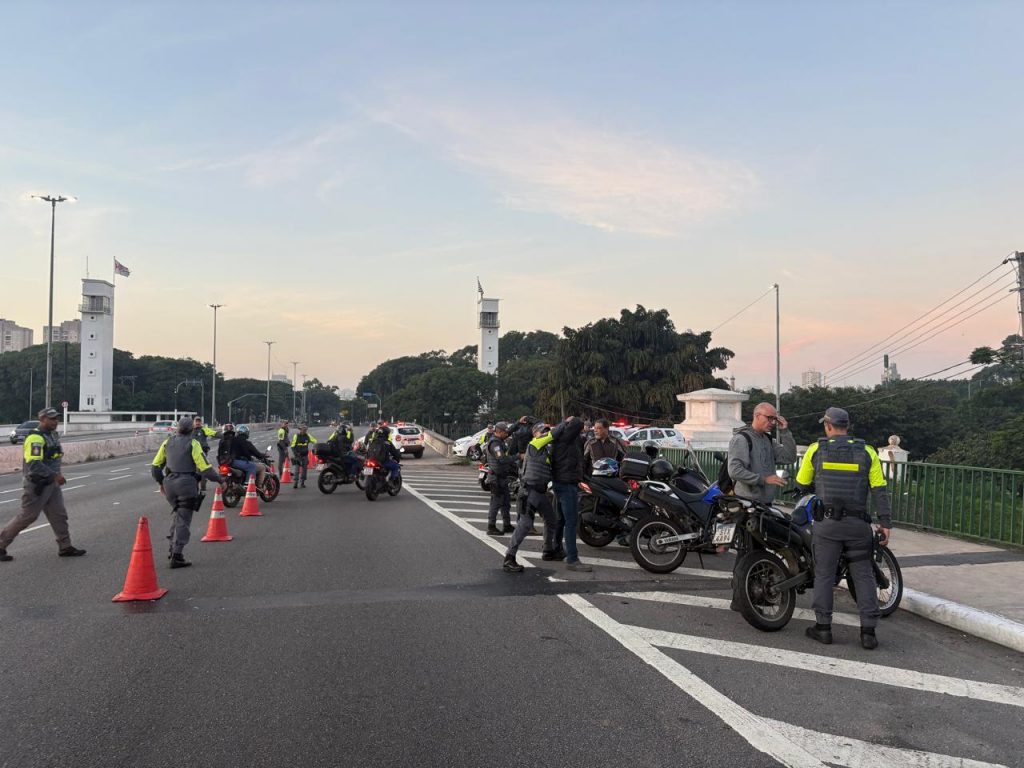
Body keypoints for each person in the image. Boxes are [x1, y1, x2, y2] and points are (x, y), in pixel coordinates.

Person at [796, 407, 893, 650]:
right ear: (847, 426)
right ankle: (868, 632)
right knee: (863, 575)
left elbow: (802, 482)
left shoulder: (816, 449)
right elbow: (879, 490)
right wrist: (885, 523)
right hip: (858, 526)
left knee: (824, 575)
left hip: (827, 526)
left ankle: (823, 628)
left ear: (828, 426)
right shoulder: (867, 451)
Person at [0, 408, 86, 562]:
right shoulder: (36, 438)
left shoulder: (52, 435)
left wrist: (55, 476)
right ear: (42, 419)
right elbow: (34, 463)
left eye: (56, 418)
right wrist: (55, 475)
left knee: (59, 515)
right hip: (37, 485)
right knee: (27, 516)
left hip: (52, 484)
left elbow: (53, 458)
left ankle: (65, 547)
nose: (55, 421)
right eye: (51, 419)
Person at [152, 417, 225, 568]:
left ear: (177, 428)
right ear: (191, 429)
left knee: (178, 515)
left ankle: (172, 548)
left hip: (169, 484)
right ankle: (177, 555)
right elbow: (205, 468)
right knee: (184, 520)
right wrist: (220, 480)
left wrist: (161, 482)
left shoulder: (167, 442)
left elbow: (155, 467)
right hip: (186, 484)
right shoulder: (193, 443)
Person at [503, 422, 560, 571]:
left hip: (540, 492)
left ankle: (548, 550)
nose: (545, 433)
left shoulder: (544, 451)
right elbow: (553, 435)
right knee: (525, 524)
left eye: (546, 431)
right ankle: (509, 557)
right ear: (535, 434)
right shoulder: (534, 444)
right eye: (542, 431)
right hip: (529, 492)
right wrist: (565, 424)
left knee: (551, 520)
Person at [726, 402, 797, 503]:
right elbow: (735, 471)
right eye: (769, 418)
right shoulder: (741, 439)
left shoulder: (768, 440)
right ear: (757, 416)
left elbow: (789, 457)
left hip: (765, 503)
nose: (773, 422)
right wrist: (764, 479)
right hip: (746, 503)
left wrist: (784, 431)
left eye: (775, 419)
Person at [550, 415, 591, 571]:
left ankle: (556, 549)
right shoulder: (566, 438)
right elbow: (577, 424)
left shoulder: (560, 438)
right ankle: (572, 559)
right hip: (567, 483)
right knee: (571, 521)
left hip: (559, 482)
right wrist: (570, 420)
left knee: (560, 519)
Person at [484, 422, 516, 535]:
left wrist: (517, 423)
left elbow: (509, 432)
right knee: (496, 502)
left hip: (502, 477)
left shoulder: (499, 440)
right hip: (496, 478)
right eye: (505, 432)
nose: (507, 434)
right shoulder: (495, 444)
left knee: (506, 502)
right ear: (499, 432)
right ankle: (491, 526)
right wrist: (517, 457)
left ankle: (507, 525)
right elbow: (502, 459)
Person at [290, 424, 318, 488]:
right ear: (300, 430)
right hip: (298, 455)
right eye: (303, 429)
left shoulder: (308, 436)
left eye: (305, 430)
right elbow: (292, 446)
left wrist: (315, 447)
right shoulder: (296, 436)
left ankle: (302, 482)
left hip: (305, 455)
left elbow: (315, 441)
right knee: (297, 470)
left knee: (304, 470)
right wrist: (296, 453)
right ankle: (296, 482)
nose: (304, 431)